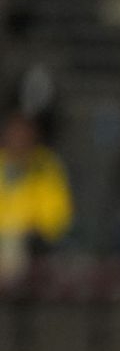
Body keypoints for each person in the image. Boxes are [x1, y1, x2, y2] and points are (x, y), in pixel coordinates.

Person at [0, 108, 71, 287]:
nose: (18, 138)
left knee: (12, 247)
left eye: (23, 133)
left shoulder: (45, 165)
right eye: (14, 132)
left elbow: (57, 212)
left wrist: (34, 225)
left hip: (32, 239)